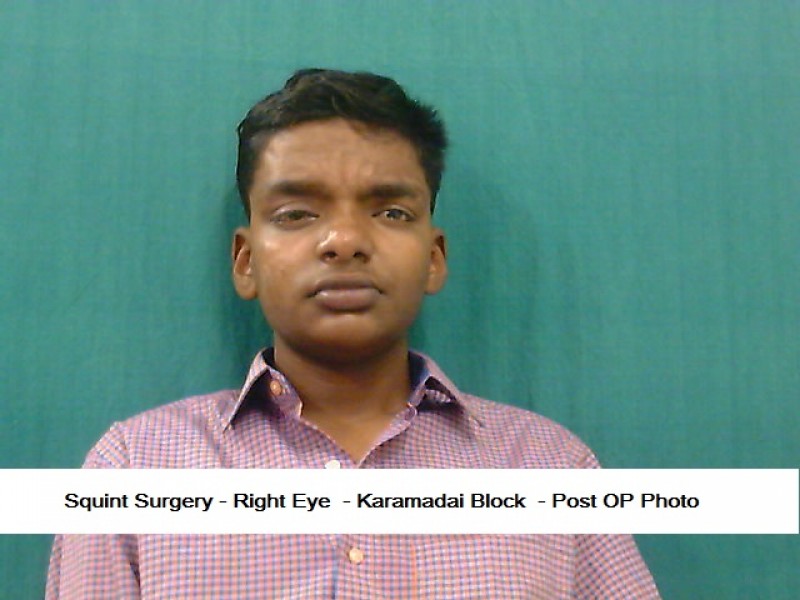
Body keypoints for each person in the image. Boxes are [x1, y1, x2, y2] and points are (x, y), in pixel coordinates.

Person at [46, 68, 660, 598]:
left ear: (433, 258)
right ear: (246, 261)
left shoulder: (551, 471)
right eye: (296, 213)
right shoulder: (134, 471)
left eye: (391, 211)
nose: (344, 241)